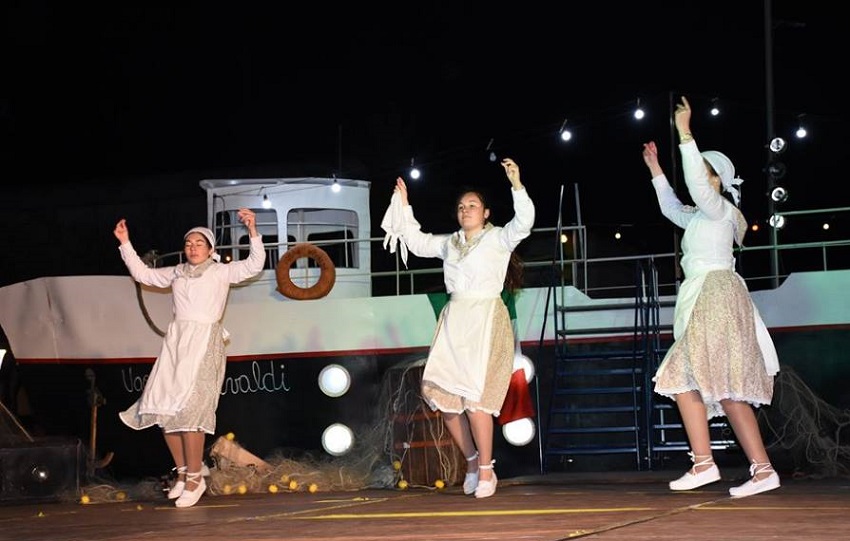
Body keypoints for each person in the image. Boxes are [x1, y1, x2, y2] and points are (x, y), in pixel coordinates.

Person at [642, 96, 781, 498]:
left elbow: (696, 188)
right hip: (706, 297)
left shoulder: (719, 210)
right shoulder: (702, 217)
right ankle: (757, 469)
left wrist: (686, 134)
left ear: (717, 181)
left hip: (716, 296)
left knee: (687, 377)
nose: (699, 181)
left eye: (704, 175)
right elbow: (671, 207)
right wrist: (655, 170)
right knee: (721, 387)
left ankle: (708, 463)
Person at [388, 158, 535, 498]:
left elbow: (524, 222)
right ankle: (470, 460)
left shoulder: (498, 238)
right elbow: (416, 241)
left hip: (485, 318)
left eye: (473, 205)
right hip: (455, 320)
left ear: (485, 213)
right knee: (444, 396)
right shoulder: (450, 243)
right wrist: (404, 205)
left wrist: (517, 184)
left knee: (476, 400)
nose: (465, 209)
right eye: (461, 206)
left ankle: (487, 470)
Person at [114, 209, 265, 508]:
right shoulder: (177, 273)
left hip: (205, 343)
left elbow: (253, 265)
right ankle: (184, 472)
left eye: (199, 243)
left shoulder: (220, 272)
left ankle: (196, 478)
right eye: (189, 244)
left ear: (210, 249)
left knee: (192, 413)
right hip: (177, 344)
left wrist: (253, 231)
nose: (193, 247)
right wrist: (125, 243)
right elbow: (144, 274)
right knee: (164, 412)